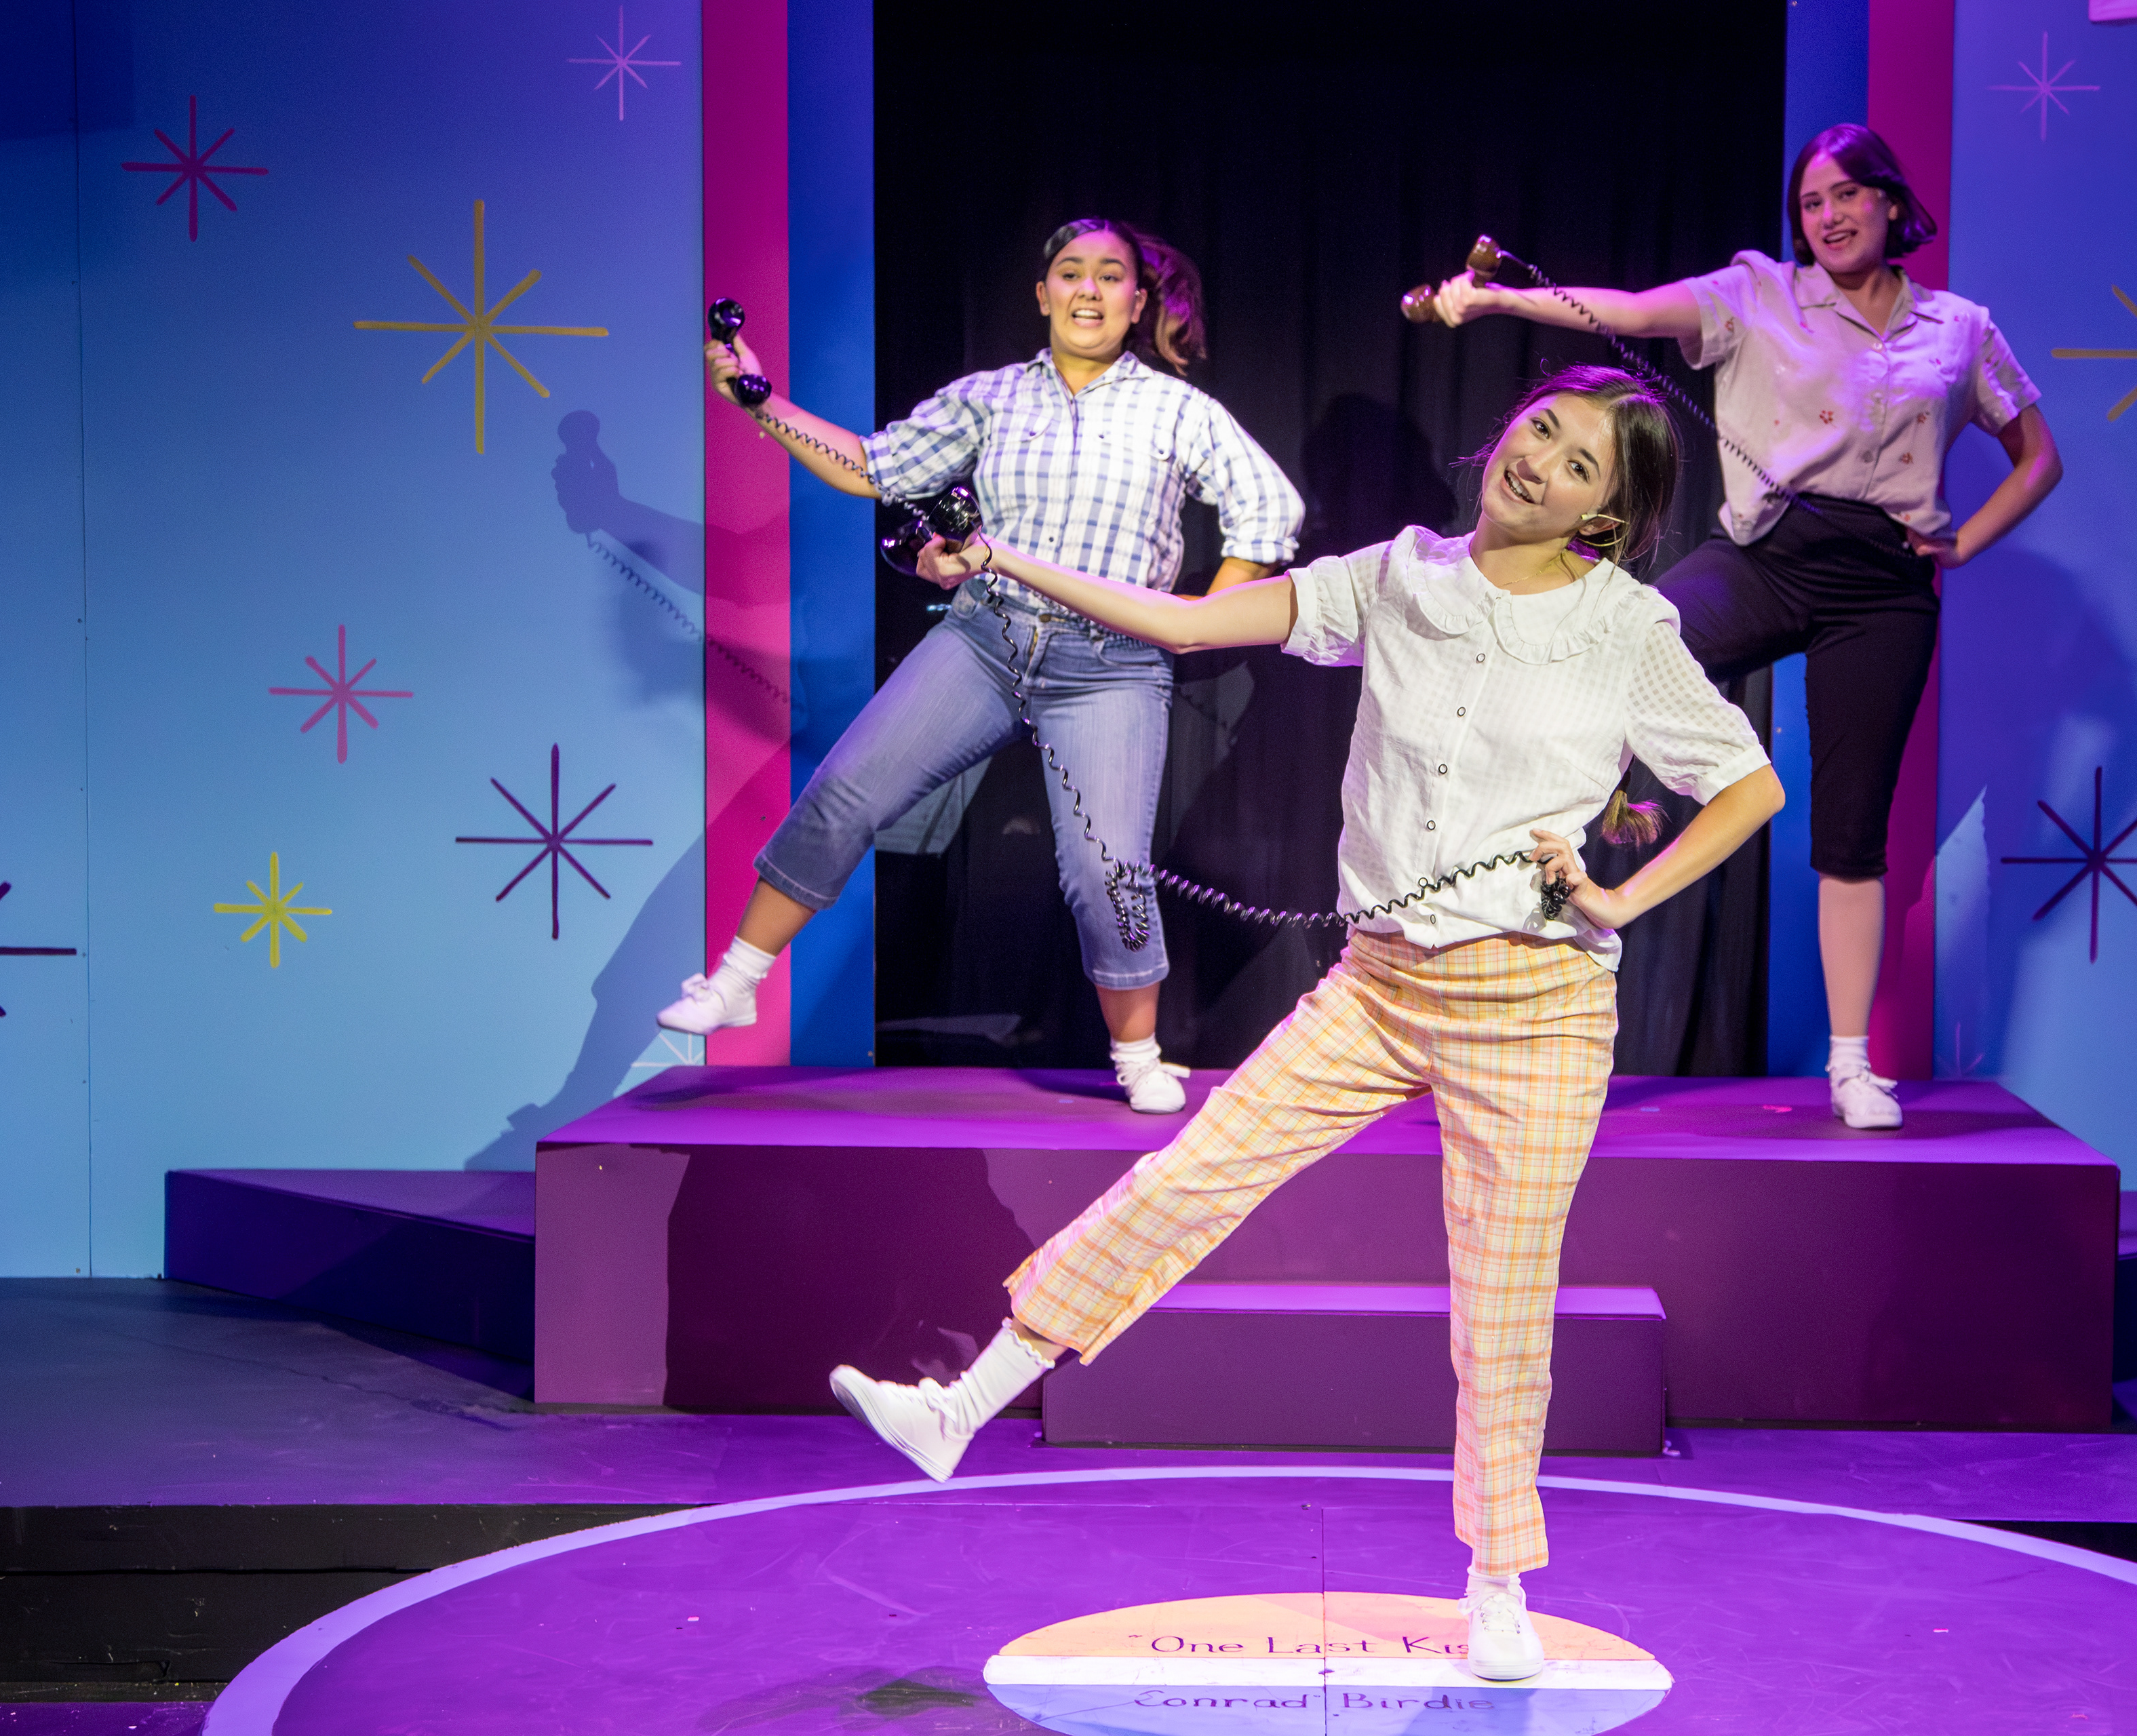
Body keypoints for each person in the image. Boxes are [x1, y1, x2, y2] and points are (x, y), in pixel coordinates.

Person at [831, 365, 1785, 1682]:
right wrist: (997, 557)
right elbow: (1182, 624)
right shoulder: (1396, 575)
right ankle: (962, 1404)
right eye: (1542, 430)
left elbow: (1746, 786)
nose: (1542, 463)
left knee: (1503, 1299)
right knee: (1187, 1180)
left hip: (1538, 1004)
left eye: (1582, 466)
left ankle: (1498, 1581)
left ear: (1605, 515)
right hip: (1379, 985)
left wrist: (1620, 895)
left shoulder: (1627, 627)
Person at [1422, 123, 2062, 1130]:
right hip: (1765, 555)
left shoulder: (1961, 328)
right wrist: (1502, 298)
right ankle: (1498, 954)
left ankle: (1852, 1066)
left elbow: (2039, 455)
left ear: (1892, 203)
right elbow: (1628, 310)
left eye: (1847, 194)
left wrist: (1964, 542)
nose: (1829, 216)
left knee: (1853, 827)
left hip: (1884, 585)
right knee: (1609, 652)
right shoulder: (1759, 292)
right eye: (1811, 202)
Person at [661, 218, 1304, 1113]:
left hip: (1111, 665)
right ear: (1043, 295)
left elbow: (1269, 510)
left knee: (1105, 872)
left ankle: (1137, 1056)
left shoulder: (1177, 411)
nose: (1088, 289)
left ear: (1136, 302)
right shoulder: (990, 397)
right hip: (985, 641)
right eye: (1070, 273)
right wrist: (758, 402)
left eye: (1109, 275)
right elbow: (870, 467)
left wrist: (1198, 621)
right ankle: (736, 981)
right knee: (846, 792)